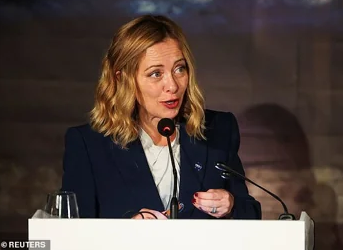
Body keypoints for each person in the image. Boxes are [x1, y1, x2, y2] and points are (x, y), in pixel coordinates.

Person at [61, 14, 261, 220]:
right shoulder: (89, 145)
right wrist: (124, 232)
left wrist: (231, 205)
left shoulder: (218, 129)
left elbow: (251, 213)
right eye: (156, 74)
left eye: (179, 69)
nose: (173, 86)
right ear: (123, 79)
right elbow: (71, 232)